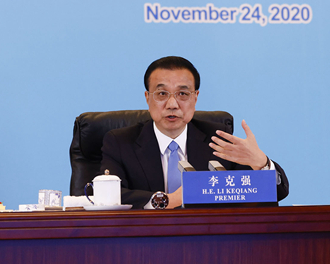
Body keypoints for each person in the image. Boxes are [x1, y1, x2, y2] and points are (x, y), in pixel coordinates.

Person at [99, 56, 289, 209]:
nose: (172, 104)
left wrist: (261, 164)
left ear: (195, 98)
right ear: (148, 98)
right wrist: (168, 200)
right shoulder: (120, 142)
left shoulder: (218, 139)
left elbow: (277, 193)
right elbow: (106, 196)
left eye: (182, 94)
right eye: (162, 94)